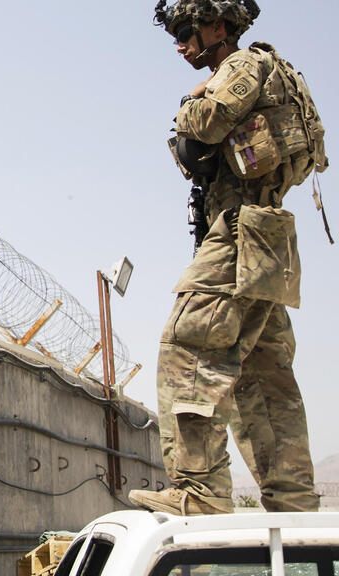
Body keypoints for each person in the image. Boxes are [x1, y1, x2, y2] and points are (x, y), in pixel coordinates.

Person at [128, 0, 328, 515]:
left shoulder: (241, 66)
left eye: (188, 31)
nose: (181, 44)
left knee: (189, 347)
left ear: (219, 26)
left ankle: (199, 491)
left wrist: (186, 105)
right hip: (270, 241)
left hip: (241, 232)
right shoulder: (271, 69)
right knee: (265, 380)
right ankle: (294, 501)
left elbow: (210, 120)